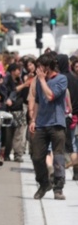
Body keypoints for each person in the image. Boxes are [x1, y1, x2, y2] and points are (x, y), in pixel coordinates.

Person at [28, 53, 68, 200]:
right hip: (41, 123)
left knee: (58, 157)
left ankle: (58, 188)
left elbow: (50, 96)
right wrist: (33, 120)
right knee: (37, 156)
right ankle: (44, 183)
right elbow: (38, 101)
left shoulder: (61, 79)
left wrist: (42, 80)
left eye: (40, 67)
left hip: (56, 123)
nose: (37, 70)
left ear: (48, 67)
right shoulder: (39, 81)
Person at [2, 63, 31, 162]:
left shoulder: (20, 80)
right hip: (9, 111)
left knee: (19, 133)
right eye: (18, 69)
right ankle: (6, 154)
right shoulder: (7, 80)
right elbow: (8, 92)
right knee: (8, 135)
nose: (20, 72)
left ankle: (17, 154)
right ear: (12, 71)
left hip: (19, 110)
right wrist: (24, 85)